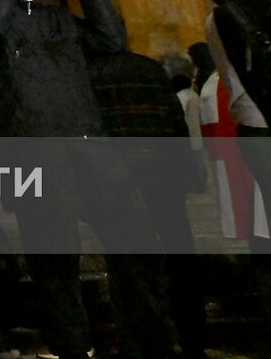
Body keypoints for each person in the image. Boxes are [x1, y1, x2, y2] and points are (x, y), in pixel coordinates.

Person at [0, 0, 177, 359]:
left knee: (135, 247)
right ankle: (73, 347)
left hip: (90, 145)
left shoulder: (58, 20)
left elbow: (111, 40)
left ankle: (148, 342)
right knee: (55, 262)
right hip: (34, 152)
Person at [87, 44, 207, 359]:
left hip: (119, 182)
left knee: (129, 265)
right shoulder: (149, 69)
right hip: (163, 173)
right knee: (180, 255)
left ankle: (143, 342)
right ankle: (193, 337)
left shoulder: (89, 76)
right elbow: (174, 121)